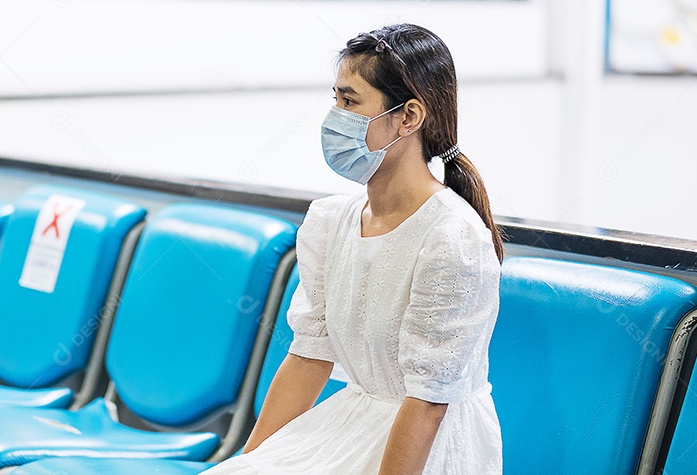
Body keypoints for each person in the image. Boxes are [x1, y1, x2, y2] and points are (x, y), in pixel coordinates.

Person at [202, 24, 504, 474]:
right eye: (336, 100)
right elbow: (308, 357)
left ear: (409, 117)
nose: (336, 116)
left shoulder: (452, 237)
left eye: (350, 101)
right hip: (352, 421)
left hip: (424, 446)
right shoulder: (331, 222)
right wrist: (251, 462)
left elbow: (428, 403)